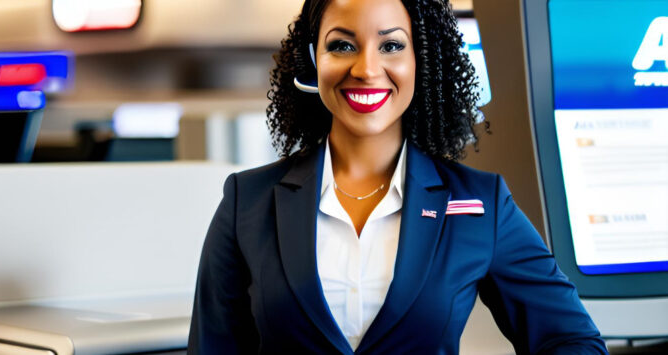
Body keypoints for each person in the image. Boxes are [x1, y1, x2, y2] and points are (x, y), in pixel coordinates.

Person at [188, 0, 608, 353]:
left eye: (390, 45)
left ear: (419, 61)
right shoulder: (248, 201)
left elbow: (574, 341)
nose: (366, 69)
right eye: (342, 45)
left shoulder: (480, 203)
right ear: (314, 60)